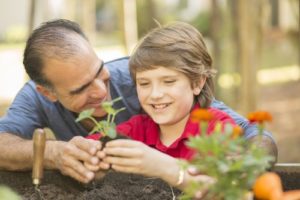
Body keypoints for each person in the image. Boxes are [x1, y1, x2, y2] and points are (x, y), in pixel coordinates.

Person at [0, 19, 277, 184]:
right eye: (81, 88)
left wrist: (239, 171)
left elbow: (256, 138)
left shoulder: (142, 77)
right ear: (47, 93)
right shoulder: (35, 98)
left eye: (99, 71)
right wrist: (54, 154)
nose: (99, 91)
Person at [86, 22, 236, 191]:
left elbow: (227, 188)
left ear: (197, 83)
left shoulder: (217, 129)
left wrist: (163, 167)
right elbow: (88, 151)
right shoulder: (136, 129)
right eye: (144, 83)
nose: (155, 94)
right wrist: (86, 154)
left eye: (169, 81)